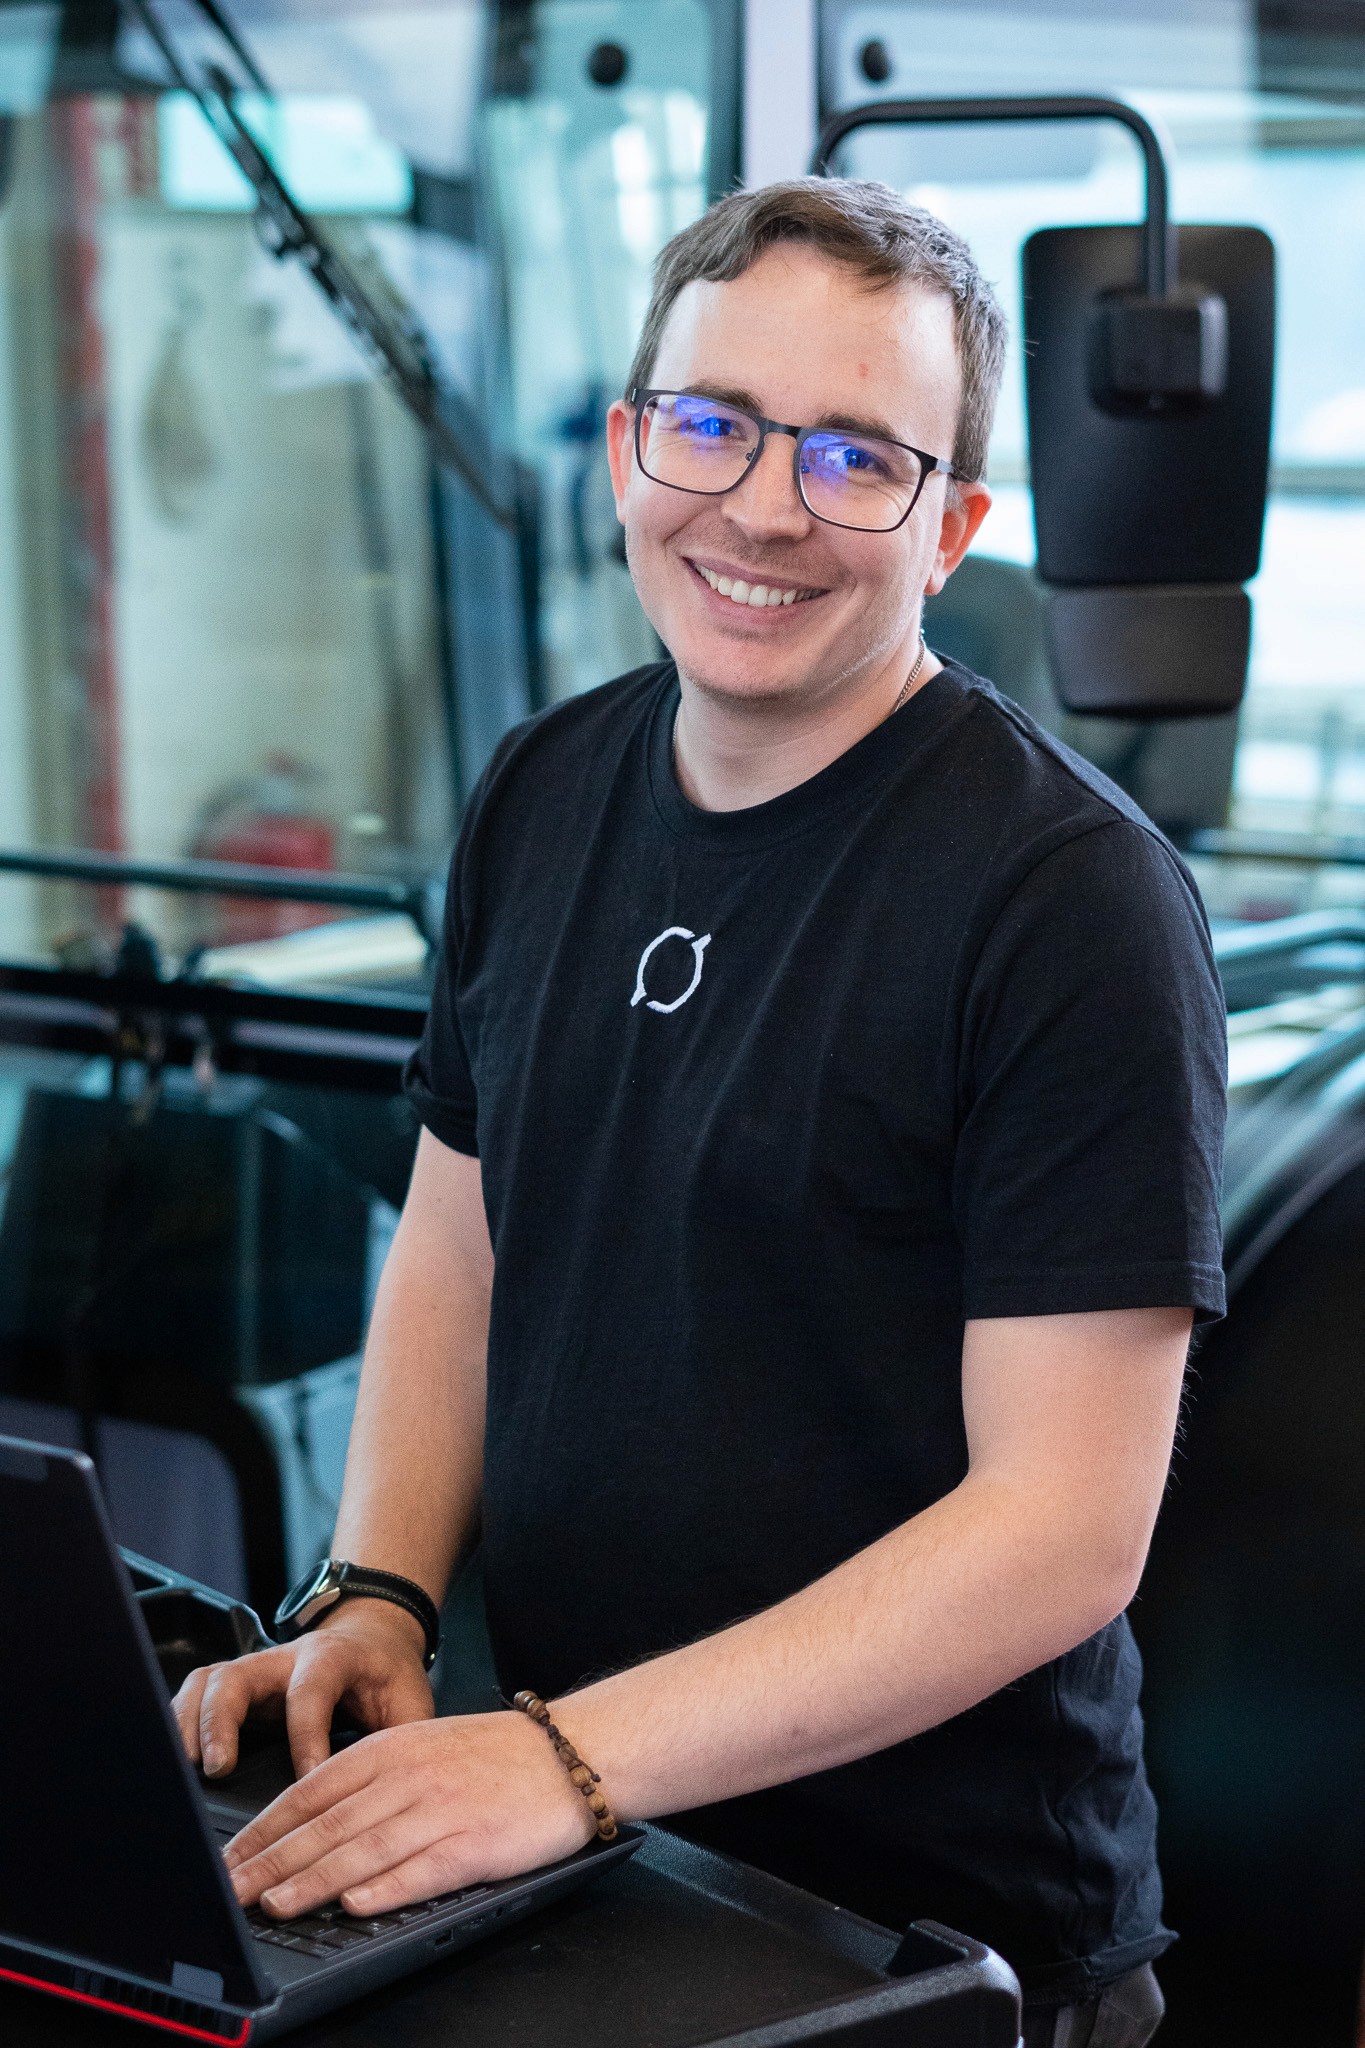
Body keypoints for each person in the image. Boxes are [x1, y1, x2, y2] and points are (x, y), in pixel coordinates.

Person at [173, 180, 1226, 2048]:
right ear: (624, 451)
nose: (760, 506)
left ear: (950, 528)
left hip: (930, 1941)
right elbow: (461, 1245)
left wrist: (561, 1761)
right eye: (714, 423)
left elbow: (1061, 1527)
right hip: (594, 1873)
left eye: (853, 457)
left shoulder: (1070, 901)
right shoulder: (542, 787)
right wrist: (378, 1595)